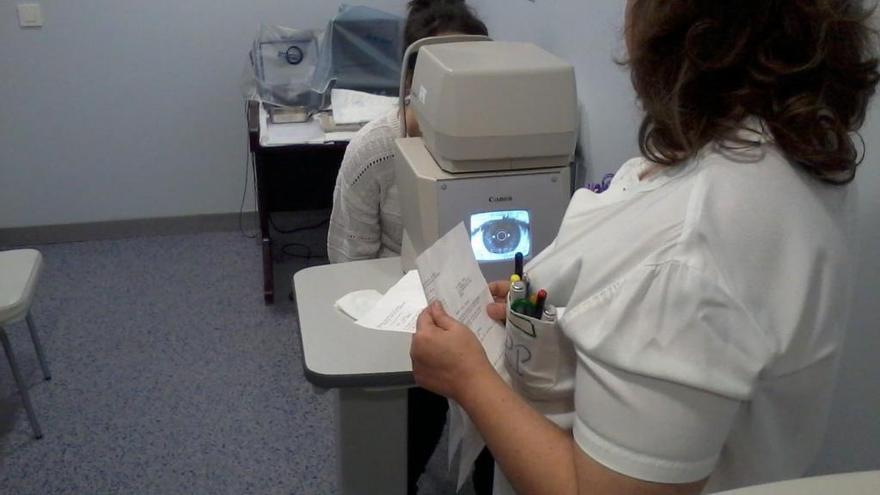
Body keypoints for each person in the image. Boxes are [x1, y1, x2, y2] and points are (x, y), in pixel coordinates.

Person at [411, 1, 879, 494]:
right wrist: (555, 308)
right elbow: (644, 311)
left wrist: (470, 380)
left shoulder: (690, 252)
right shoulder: (790, 153)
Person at [326, 1, 493, 493]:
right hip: (400, 317)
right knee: (407, 431)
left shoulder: (500, 141)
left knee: (504, 426)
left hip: (482, 306)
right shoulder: (373, 153)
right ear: (411, 84)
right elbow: (348, 269)